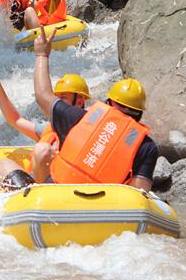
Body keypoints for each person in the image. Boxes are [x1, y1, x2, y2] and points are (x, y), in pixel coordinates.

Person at [33, 27, 158, 191]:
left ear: (109, 103)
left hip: (57, 195)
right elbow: (140, 192)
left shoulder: (79, 119)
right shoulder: (147, 146)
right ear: (139, 113)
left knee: (23, 158)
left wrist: (42, 55)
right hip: (104, 206)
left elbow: (43, 95)